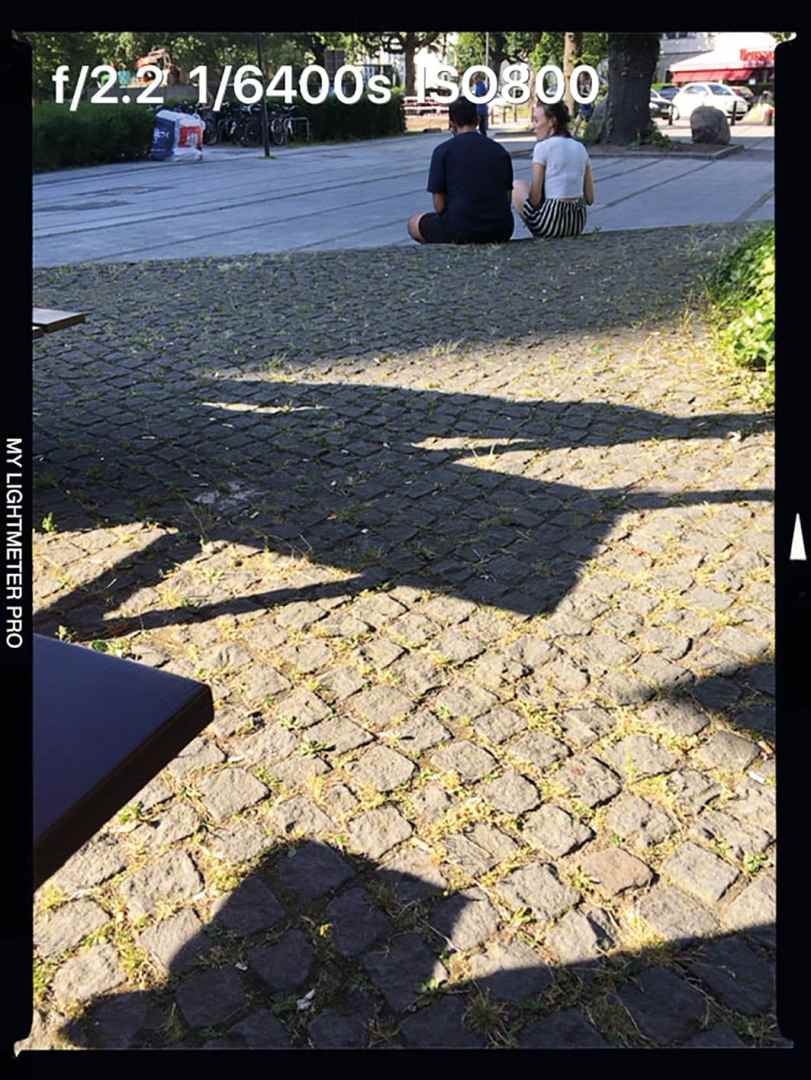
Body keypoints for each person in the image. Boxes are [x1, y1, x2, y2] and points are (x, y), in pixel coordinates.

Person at [407, 96, 514, 245]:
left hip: (460, 229)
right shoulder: (499, 151)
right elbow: (507, 199)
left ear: (451, 124)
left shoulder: (442, 151)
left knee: (413, 223)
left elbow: (439, 206)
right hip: (501, 229)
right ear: (477, 120)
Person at [512, 100, 594, 240]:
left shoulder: (542, 147)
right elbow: (590, 198)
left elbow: (535, 199)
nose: (534, 126)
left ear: (552, 121)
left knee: (516, 185)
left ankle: (539, 233)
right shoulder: (580, 147)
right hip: (577, 223)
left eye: (536, 120)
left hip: (551, 223)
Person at [473, 71, 489, 136]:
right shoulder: (479, 85)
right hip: (481, 109)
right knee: (482, 128)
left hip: (480, 109)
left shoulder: (480, 86)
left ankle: (483, 139)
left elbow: (479, 96)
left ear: (478, 79)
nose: (474, 81)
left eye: (475, 80)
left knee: (481, 127)